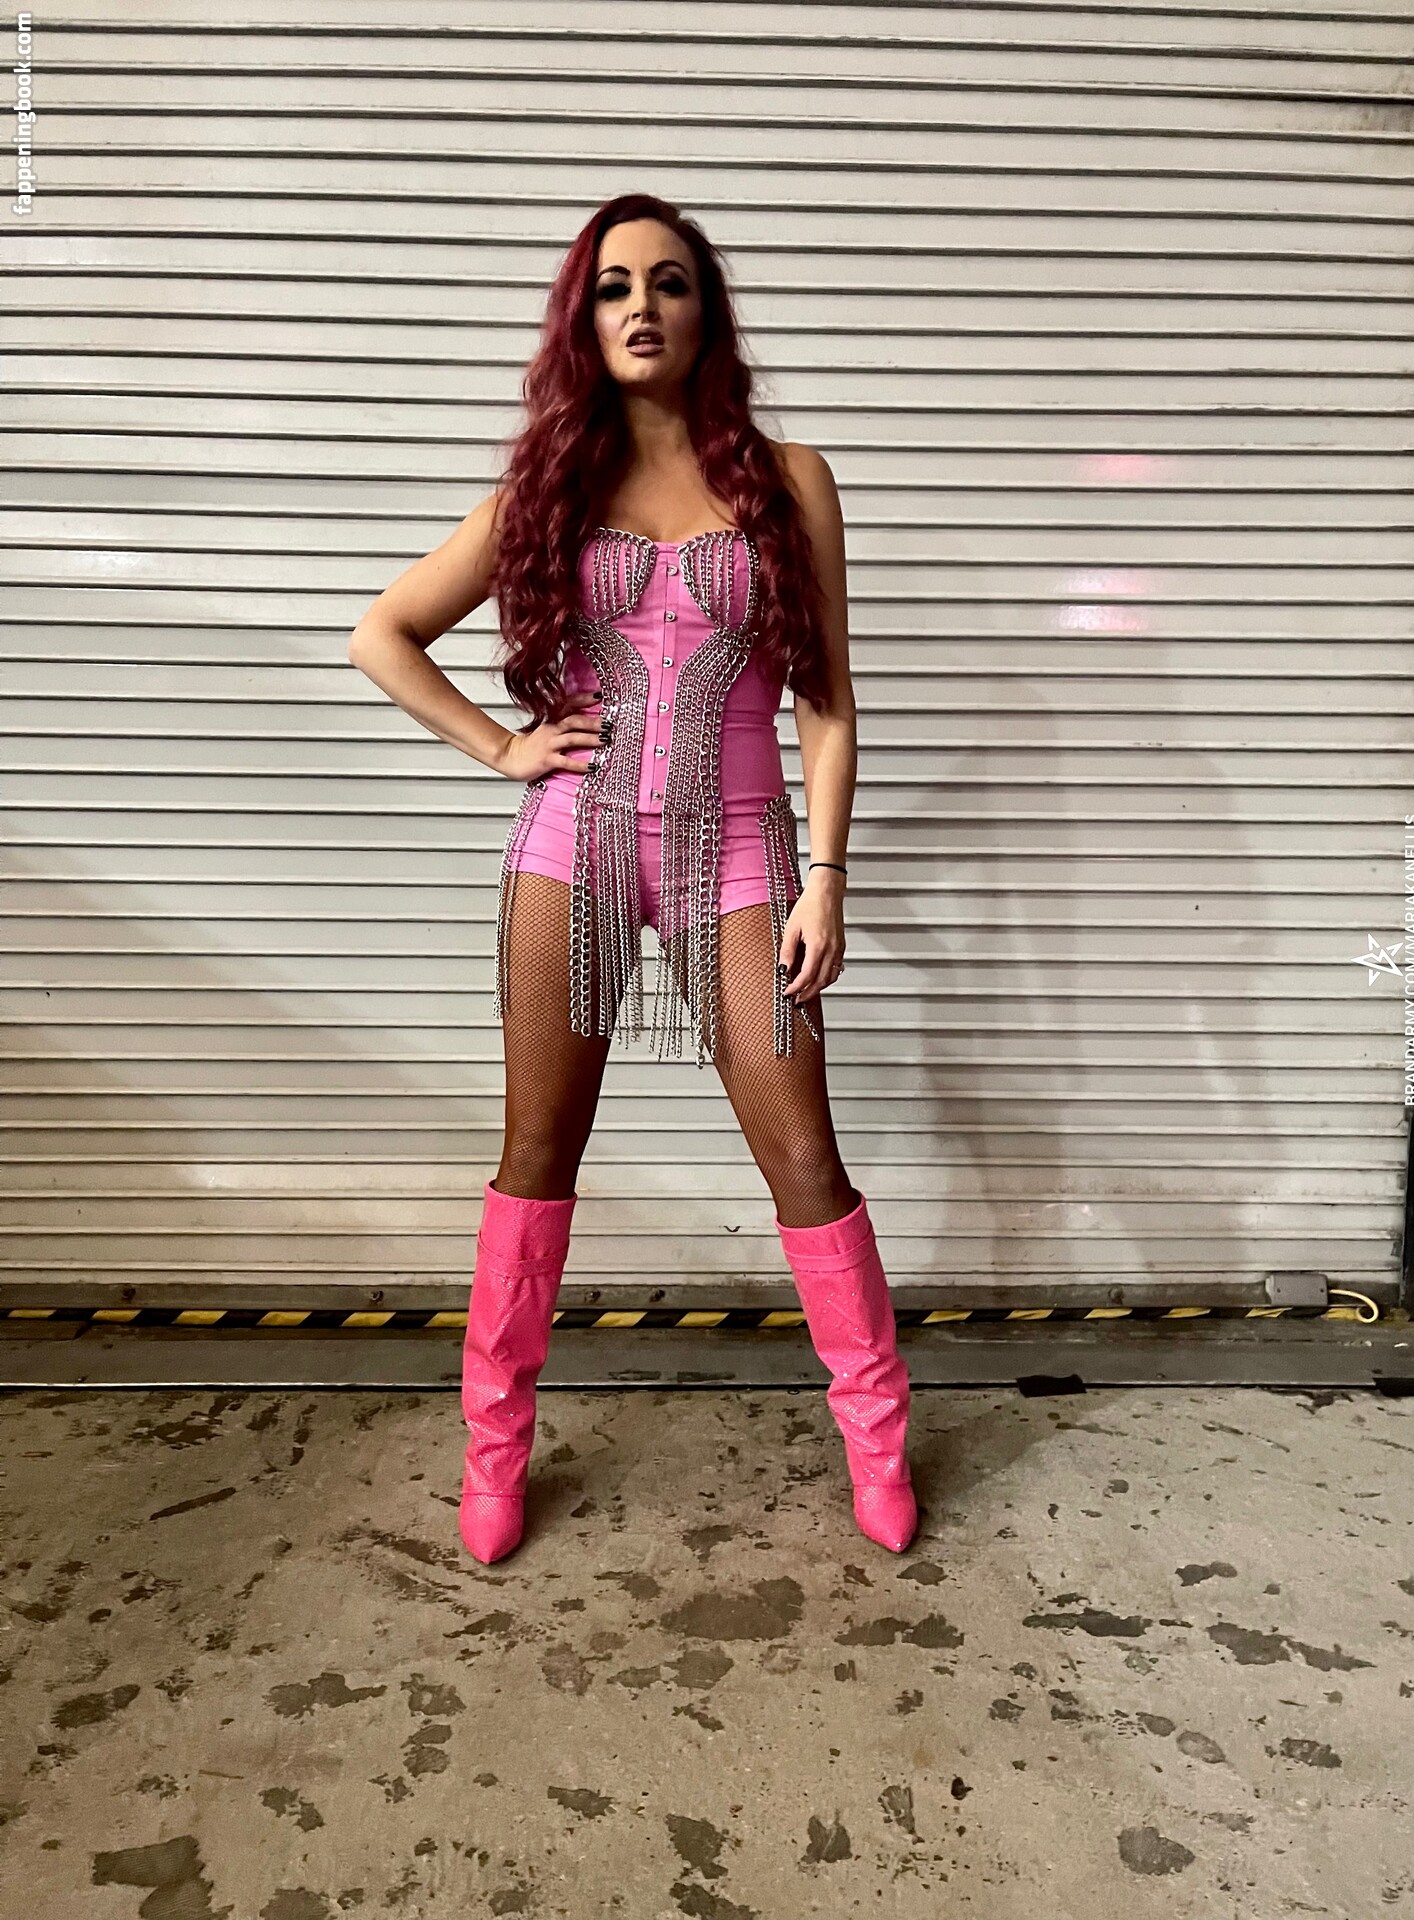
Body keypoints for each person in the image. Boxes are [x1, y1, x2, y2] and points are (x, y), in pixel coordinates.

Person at [347, 192, 918, 1565]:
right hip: (574, 847)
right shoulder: (544, 492)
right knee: (537, 1156)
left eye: (668, 282)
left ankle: (879, 1441)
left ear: (706, 310)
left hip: (745, 855)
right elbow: (384, 632)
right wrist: (502, 748)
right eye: (612, 287)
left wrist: (827, 876)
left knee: (804, 1155)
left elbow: (828, 700)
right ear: (583, 319)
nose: (641, 307)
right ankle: (494, 1452)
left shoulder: (791, 479)